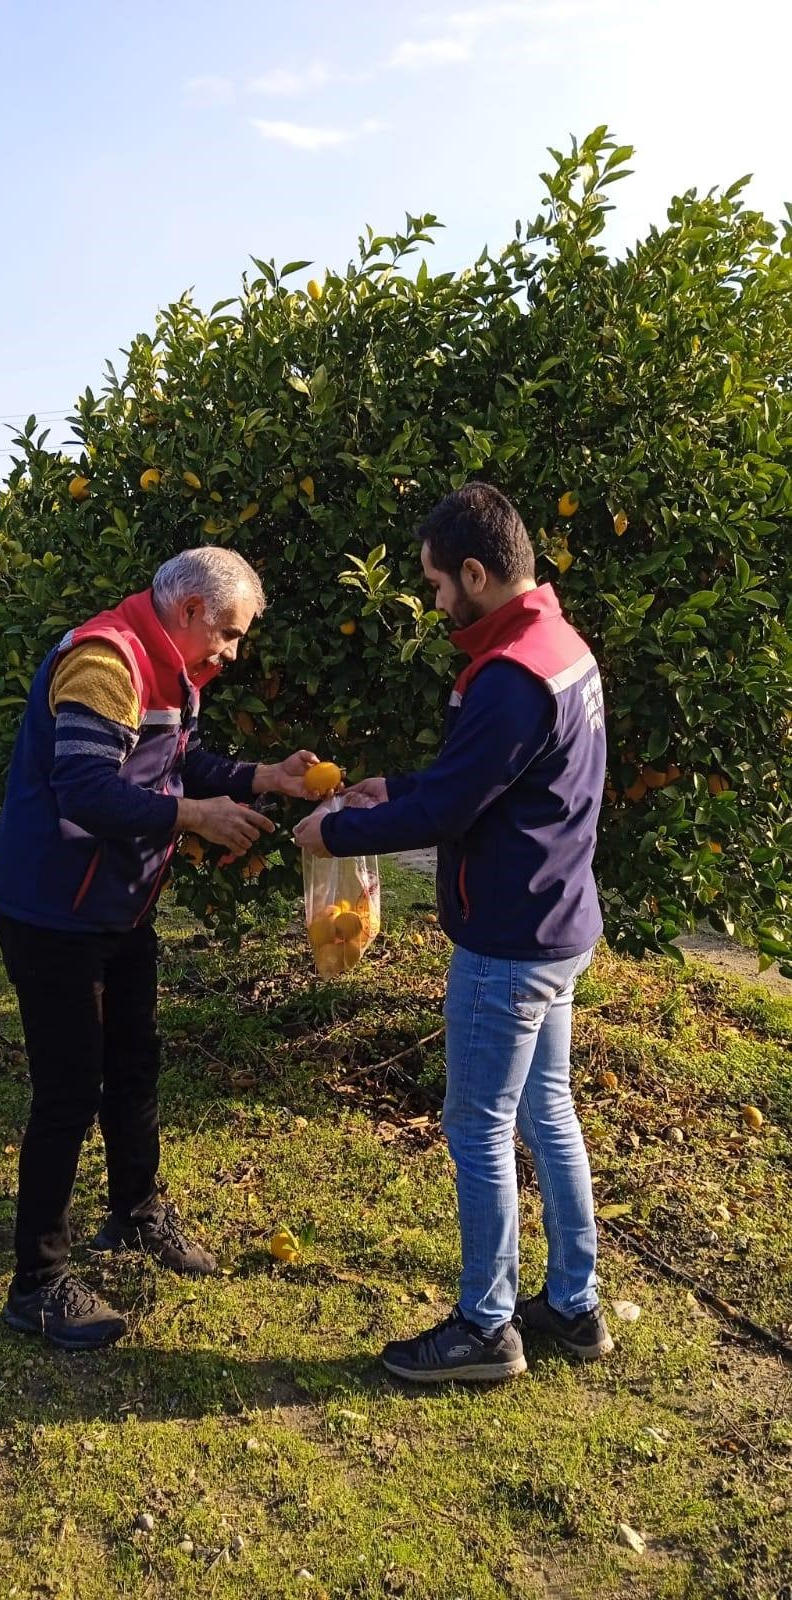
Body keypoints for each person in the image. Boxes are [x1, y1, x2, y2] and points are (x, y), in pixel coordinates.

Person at [294, 483, 613, 1383]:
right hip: (559, 921)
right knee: (547, 1110)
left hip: (510, 938)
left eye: (438, 584)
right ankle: (577, 1306)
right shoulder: (558, 648)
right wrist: (388, 788)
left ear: (478, 572)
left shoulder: (511, 678)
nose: (436, 603)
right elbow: (478, 776)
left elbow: (459, 800)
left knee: (476, 1125)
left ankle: (485, 1325)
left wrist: (338, 830)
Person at [0, 546, 318, 1350]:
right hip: (53, 911)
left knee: (133, 1060)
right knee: (68, 1090)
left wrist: (259, 776)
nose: (232, 654)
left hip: (117, 908)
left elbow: (172, 758)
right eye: (230, 635)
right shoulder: (105, 660)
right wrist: (194, 818)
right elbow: (86, 788)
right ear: (193, 611)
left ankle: (134, 1213)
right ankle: (37, 1283)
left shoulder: (171, 670)